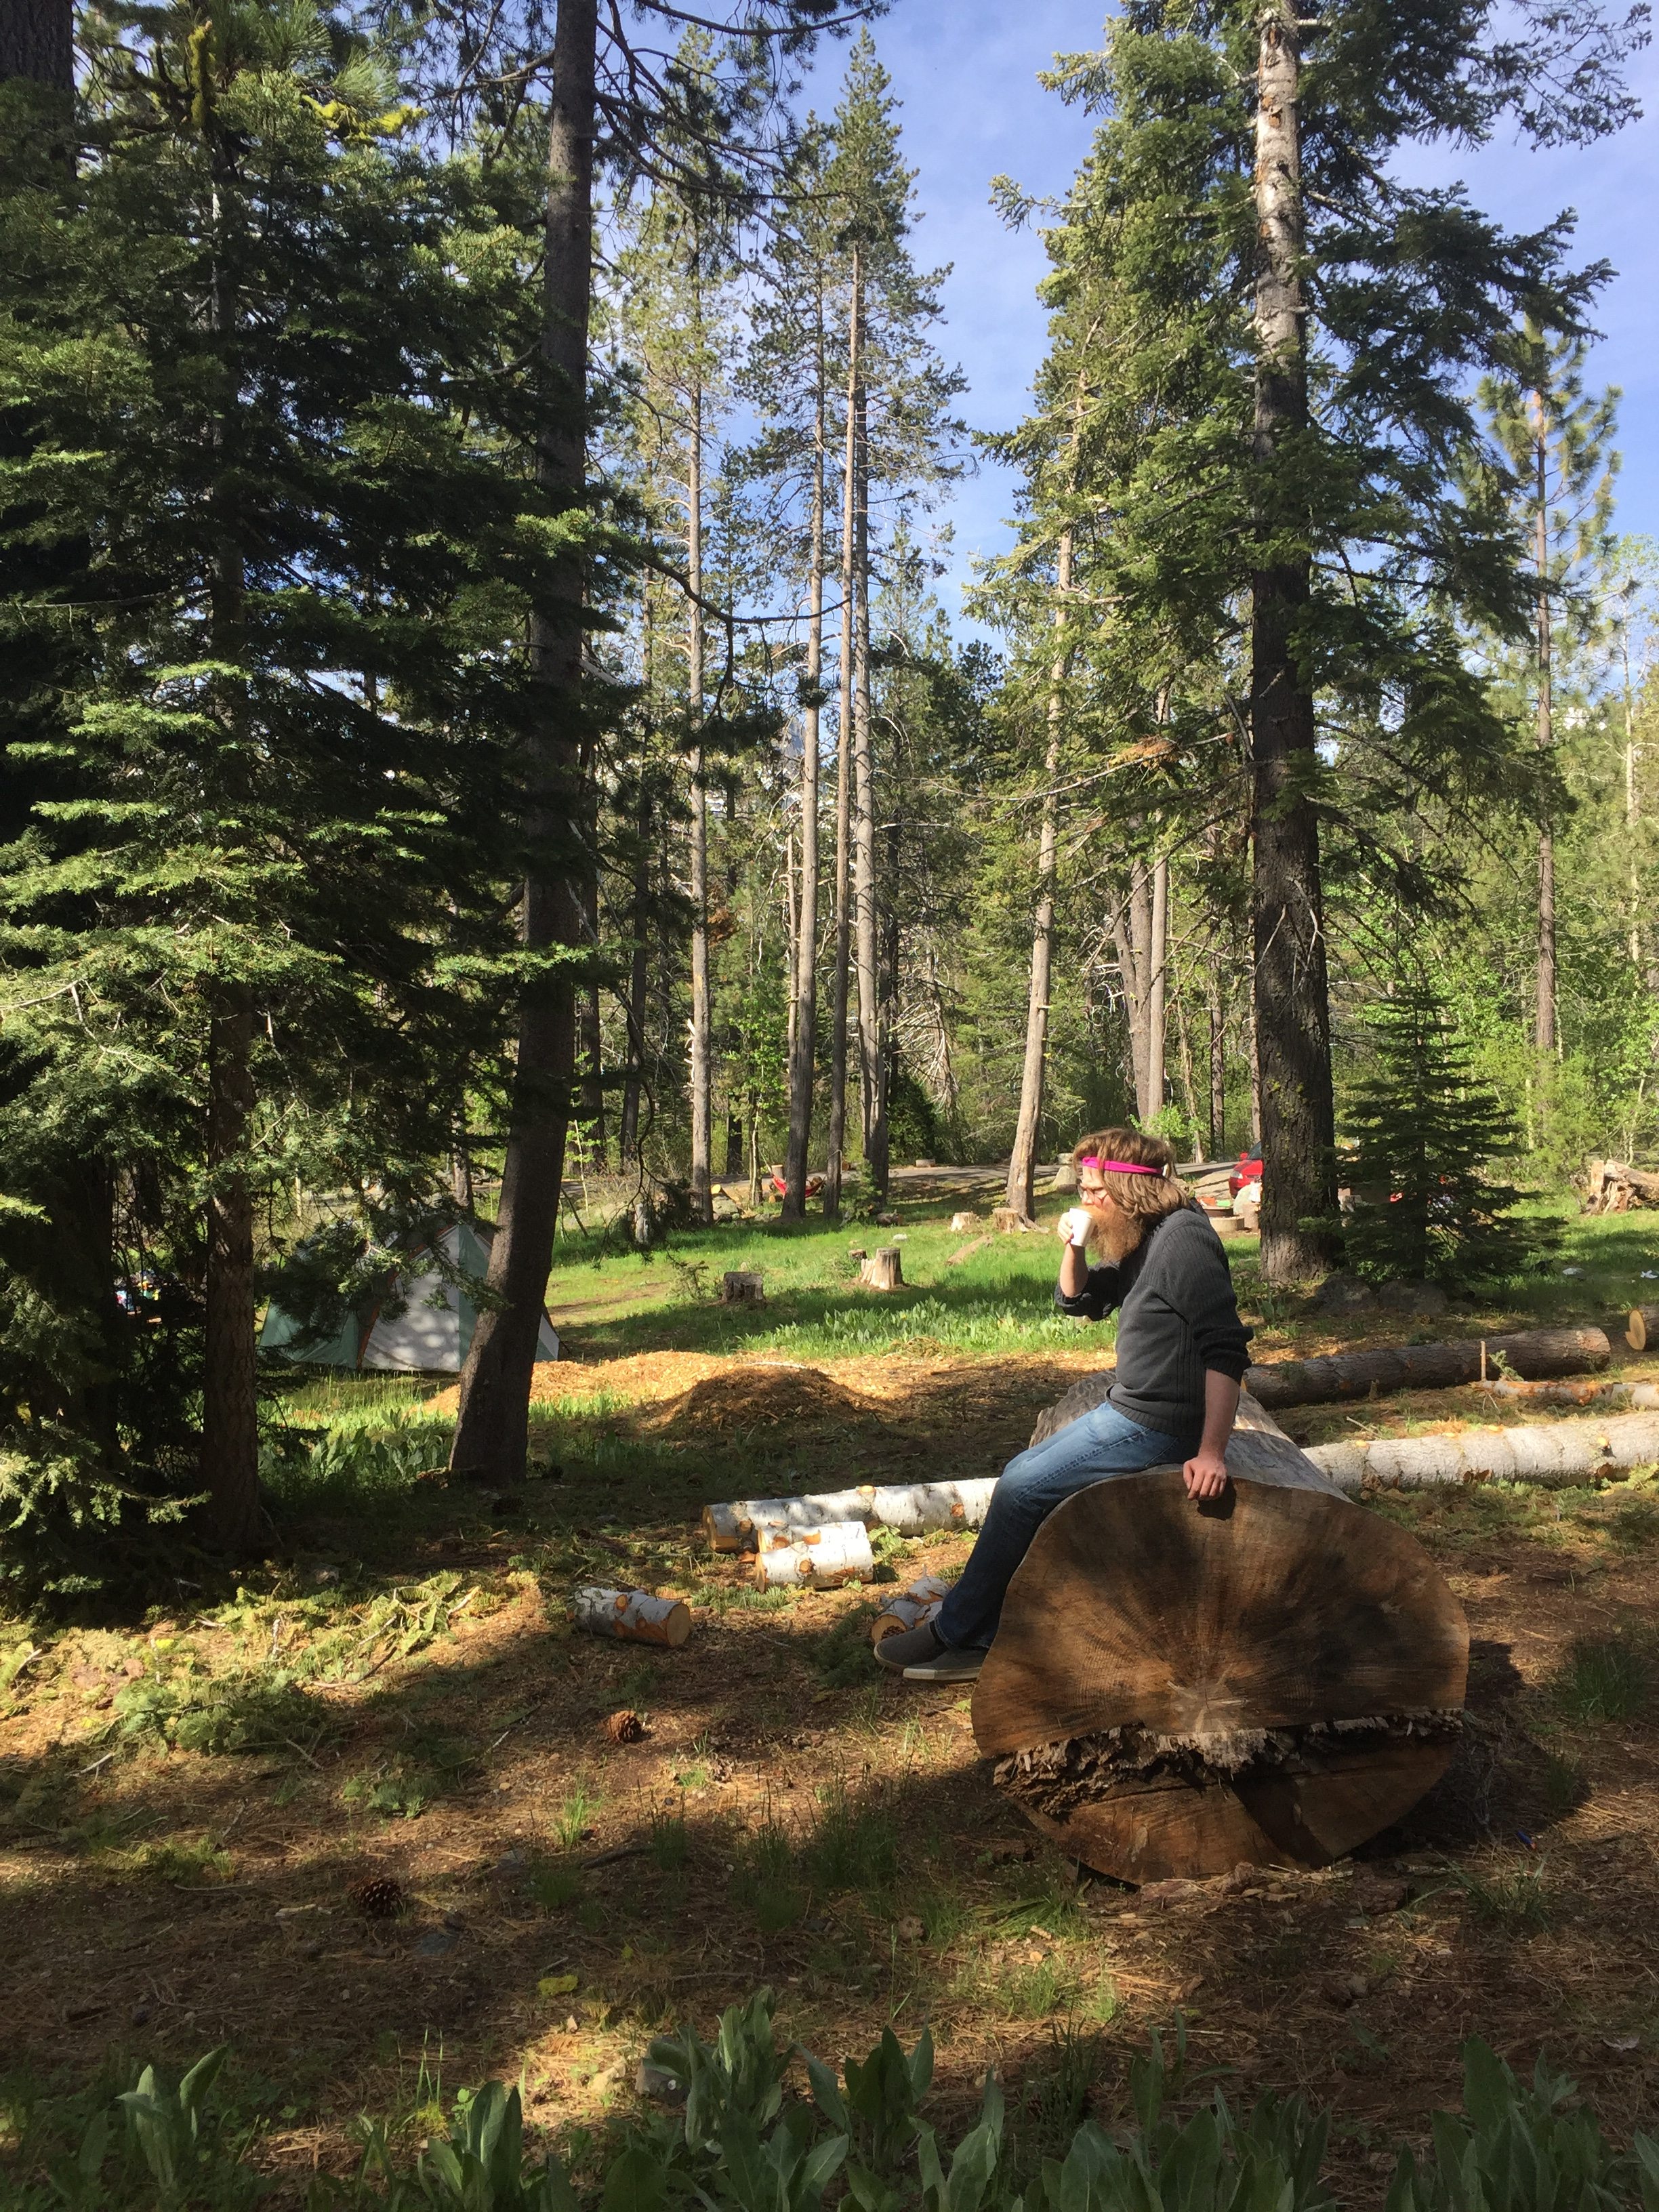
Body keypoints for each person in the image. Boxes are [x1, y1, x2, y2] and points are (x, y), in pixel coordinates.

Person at [874, 1126, 1251, 1683]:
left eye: (1093, 1190)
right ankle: (984, 1621)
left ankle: (964, 1637)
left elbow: (1226, 1350)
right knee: (1025, 1481)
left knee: (1022, 1485)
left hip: (1158, 1424)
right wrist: (1073, 1245)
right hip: (1132, 1407)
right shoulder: (1144, 1236)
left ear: (1129, 1191)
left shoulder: (1185, 1242)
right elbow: (1078, 1300)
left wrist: (1212, 1453)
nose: (1084, 1200)